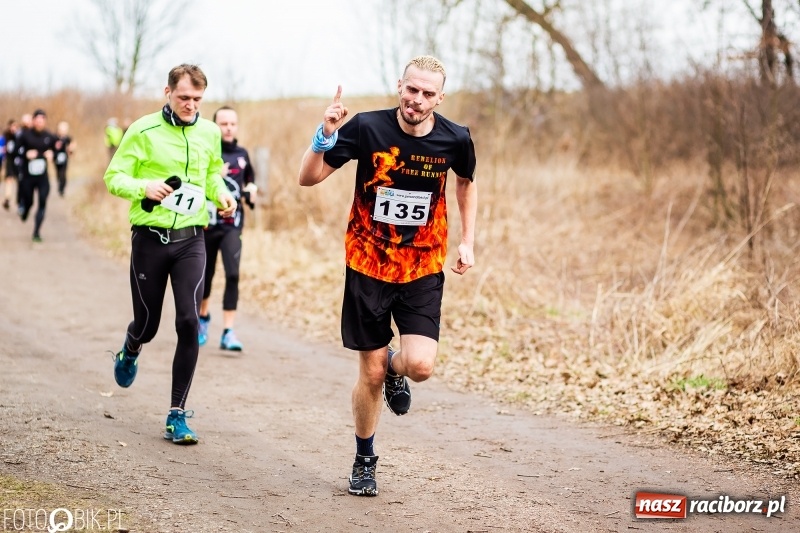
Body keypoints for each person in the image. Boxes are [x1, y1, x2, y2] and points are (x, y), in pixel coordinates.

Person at [297, 55, 477, 496]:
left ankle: (398, 370)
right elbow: (308, 177)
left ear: (440, 97)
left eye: (427, 93)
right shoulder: (368, 128)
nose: (417, 100)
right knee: (371, 373)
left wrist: (468, 240)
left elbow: (467, 182)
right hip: (368, 265)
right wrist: (324, 136)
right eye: (411, 89)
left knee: (420, 366)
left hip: (422, 265)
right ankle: (364, 459)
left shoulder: (456, 138)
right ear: (400, 85)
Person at [103, 64, 236, 445]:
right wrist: (144, 186)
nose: (191, 105)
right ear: (167, 92)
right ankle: (131, 349)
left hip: (191, 239)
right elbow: (114, 177)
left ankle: (177, 413)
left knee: (189, 321)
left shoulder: (210, 132)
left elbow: (211, 175)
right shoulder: (143, 130)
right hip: (149, 238)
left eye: (197, 99)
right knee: (147, 323)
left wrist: (221, 193)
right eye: (184, 98)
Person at [198, 106, 257, 351]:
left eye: (232, 123)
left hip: (232, 226)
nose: (229, 127)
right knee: (206, 276)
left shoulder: (243, 154)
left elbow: (250, 183)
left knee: (232, 274)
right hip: (207, 225)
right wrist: (214, 175)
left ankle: (228, 332)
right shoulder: (207, 153)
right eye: (223, 124)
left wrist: (252, 191)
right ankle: (202, 318)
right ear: (215, 126)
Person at [17, 109, 55, 242]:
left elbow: (59, 149)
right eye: (37, 121)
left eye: (42, 121)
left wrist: (52, 155)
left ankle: (36, 232)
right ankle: (25, 210)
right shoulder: (25, 135)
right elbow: (16, 150)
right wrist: (26, 154)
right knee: (29, 201)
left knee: (43, 201)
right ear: (33, 121)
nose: (39, 123)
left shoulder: (49, 136)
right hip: (28, 177)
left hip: (42, 177)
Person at [53, 121, 75, 197]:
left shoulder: (67, 138)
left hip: (64, 158)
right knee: (58, 173)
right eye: (61, 130)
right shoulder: (54, 137)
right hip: (56, 158)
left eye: (64, 131)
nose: (63, 132)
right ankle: (59, 185)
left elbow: (72, 145)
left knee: (63, 173)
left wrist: (71, 150)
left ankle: (62, 188)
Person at [2, 119, 18, 210]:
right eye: (12, 126)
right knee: (9, 179)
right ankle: (7, 198)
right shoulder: (6, 136)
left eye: (15, 126)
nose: (14, 128)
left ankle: (19, 199)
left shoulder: (20, 136)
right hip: (9, 160)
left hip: (18, 161)